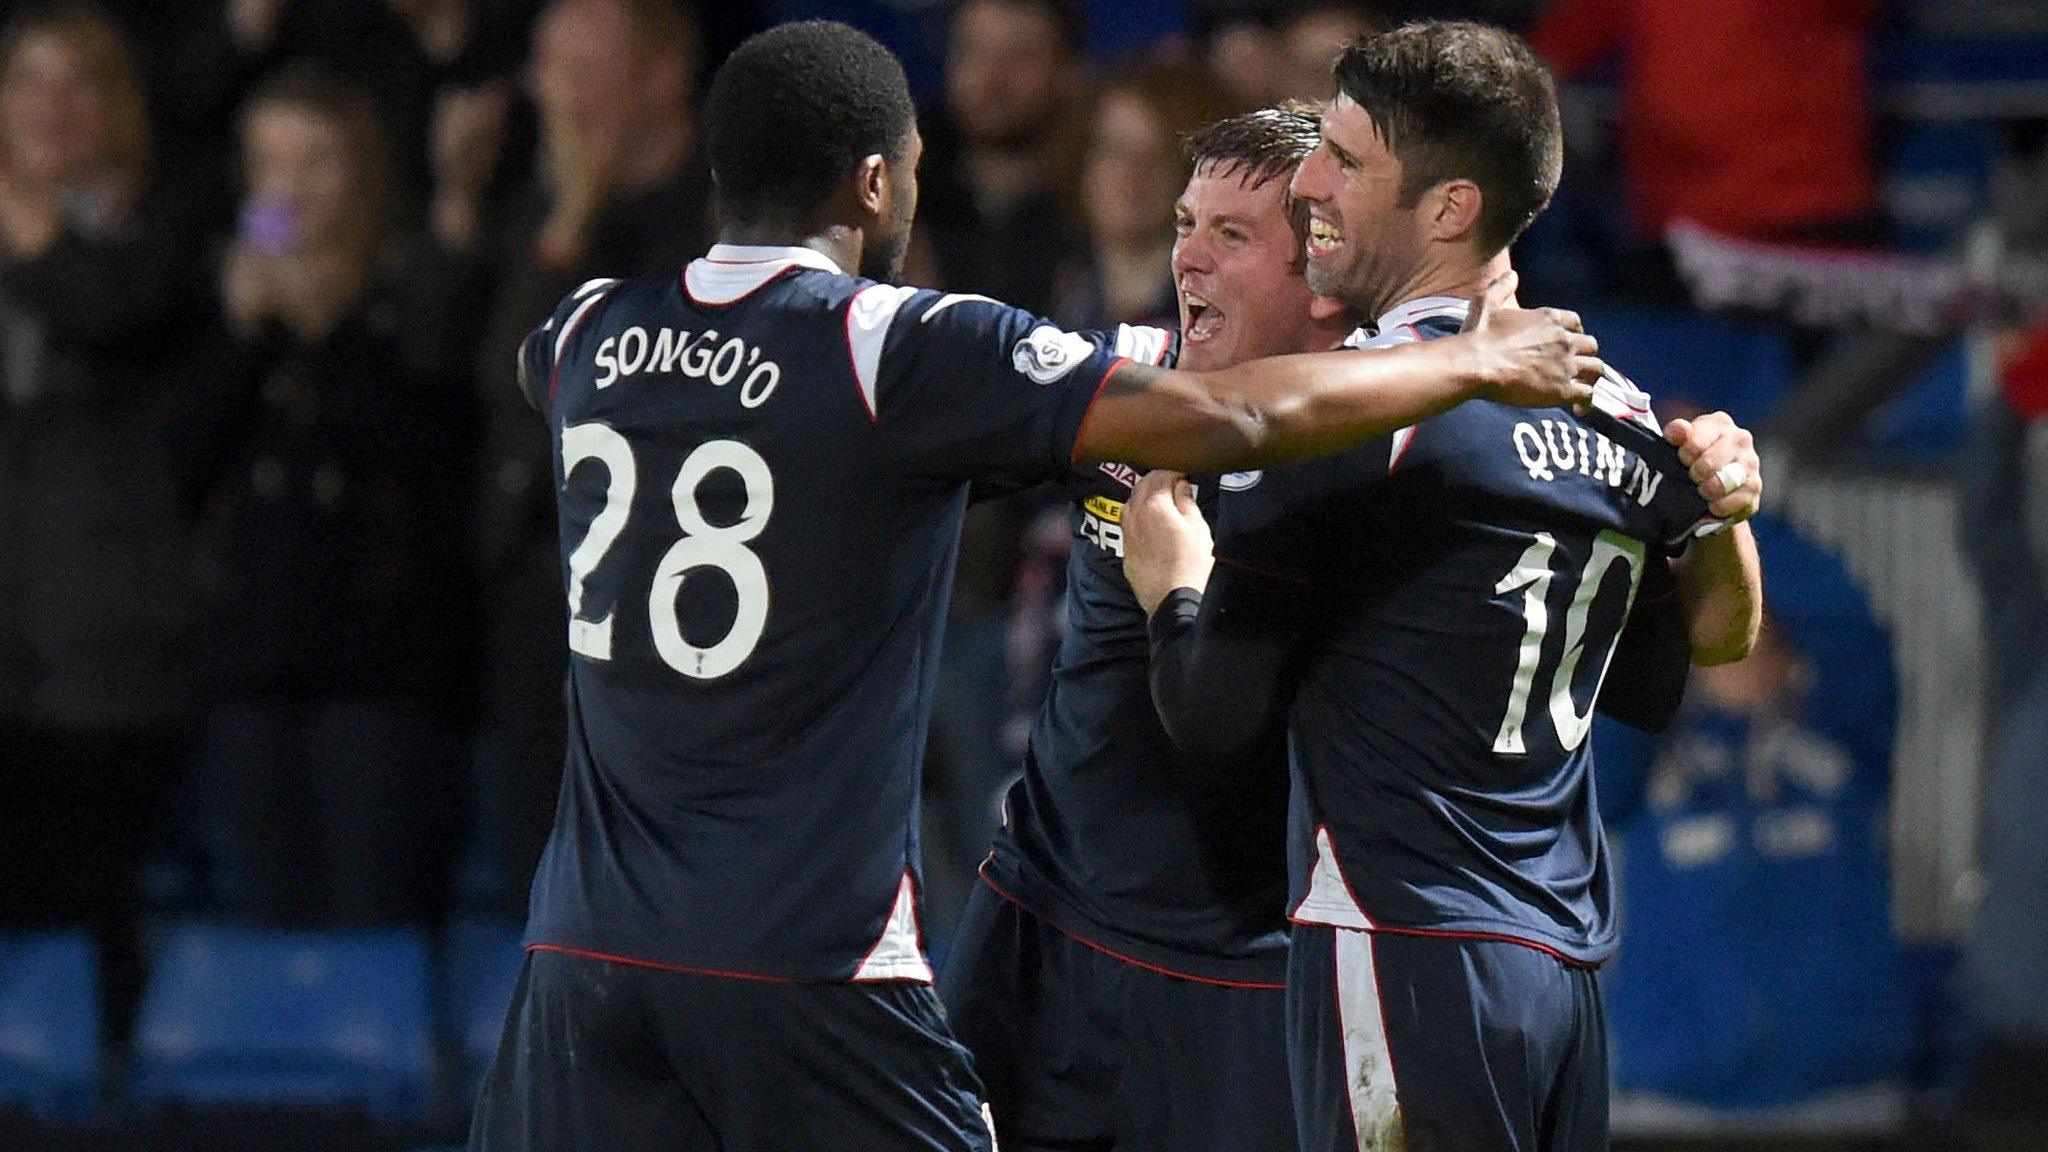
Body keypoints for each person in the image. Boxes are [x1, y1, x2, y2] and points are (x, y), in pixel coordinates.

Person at [467, 20, 1607, 1152]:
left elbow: (537, 360)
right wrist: (1474, 355)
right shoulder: (930, 354)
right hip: (899, 943)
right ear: (873, 181)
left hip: (593, 947)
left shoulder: (593, 330)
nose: (1188, 259)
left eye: (1230, 233)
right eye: (1182, 226)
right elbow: (1233, 416)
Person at [1123, 23, 1764, 1152]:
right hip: (1558, 966)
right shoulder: (1611, 411)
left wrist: (1170, 584)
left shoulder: (1347, 415)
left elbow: (1212, 713)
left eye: (1343, 159)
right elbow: (1661, 680)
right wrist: (1718, 507)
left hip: (1399, 943)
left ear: (1449, 208)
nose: (1307, 184)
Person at [189, 66, 478, 928]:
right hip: (255, 672)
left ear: (363, 174)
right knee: (269, 928)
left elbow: (430, 461)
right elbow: (180, 466)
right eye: (271, 165)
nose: (292, 189)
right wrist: (248, 339)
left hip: (381, 680)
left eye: (316, 162)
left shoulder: (410, 300)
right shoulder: (229, 315)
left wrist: (332, 331)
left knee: (375, 926)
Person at [0, 2, 211, 1051]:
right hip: (15, 628)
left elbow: (106, 307)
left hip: (111, 631)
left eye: (78, 82)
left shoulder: (166, 214)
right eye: (29, 81)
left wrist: (23, 216)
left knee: (100, 902)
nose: (51, 106)